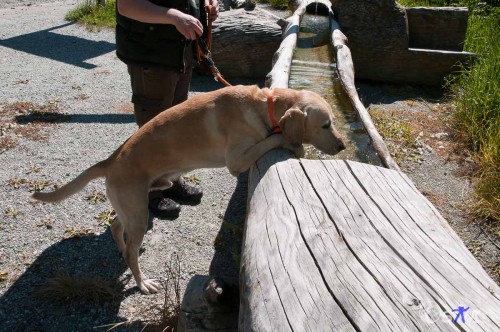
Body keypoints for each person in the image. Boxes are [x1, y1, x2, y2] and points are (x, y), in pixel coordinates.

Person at [116, 0, 219, 219]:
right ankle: (150, 192)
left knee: (176, 124)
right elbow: (126, 5)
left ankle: (171, 180)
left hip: (181, 51)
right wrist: (174, 16)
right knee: (152, 128)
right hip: (150, 52)